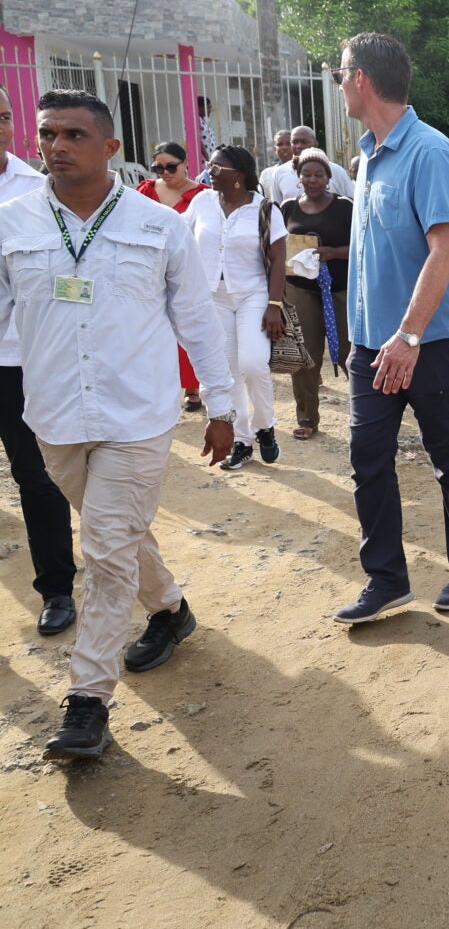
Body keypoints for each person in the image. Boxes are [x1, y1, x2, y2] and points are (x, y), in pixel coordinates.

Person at [0, 89, 236, 759]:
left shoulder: (158, 225)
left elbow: (197, 320)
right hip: (53, 414)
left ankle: (86, 702)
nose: (57, 146)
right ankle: (170, 608)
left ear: (110, 149)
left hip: (136, 414)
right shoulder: (12, 223)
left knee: (102, 549)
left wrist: (222, 409)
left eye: (74, 135)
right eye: (48, 134)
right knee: (119, 534)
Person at [331, 32, 449, 624]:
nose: (339, 84)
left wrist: (410, 335)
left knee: (448, 453)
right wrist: (364, 336)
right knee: (366, 455)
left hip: (430, 341)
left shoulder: (429, 151)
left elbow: (444, 250)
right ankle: (386, 580)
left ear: (362, 79)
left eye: (340, 73)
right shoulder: (369, 155)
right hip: (375, 344)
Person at [0, 82, 77, 637]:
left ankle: (56, 587)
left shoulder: (38, 190)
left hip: (17, 359)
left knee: (36, 476)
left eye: (3, 116)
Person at [184, 144, 287, 471]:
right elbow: (178, 239)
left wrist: (274, 304)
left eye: (217, 168)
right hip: (212, 297)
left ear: (239, 175)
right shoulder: (201, 203)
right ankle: (242, 441)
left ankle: (265, 426)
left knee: (253, 363)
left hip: (253, 295)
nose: (209, 172)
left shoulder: (265, 208)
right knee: (228, 375)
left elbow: (278, 259)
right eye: (209, 166)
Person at [278, 147, 353, 440]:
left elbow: (364, 245)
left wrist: (334, 252)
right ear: (298, 177)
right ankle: (307, 417)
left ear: (328, 177)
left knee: (351, 353)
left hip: (339, 289)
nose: (312, 180)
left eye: (318, 174)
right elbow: (276, 246)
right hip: (300, 290)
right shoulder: (288, 208)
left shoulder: (345, 207)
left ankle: (368, 413)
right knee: (304, 355)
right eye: (306, 174)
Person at [136, 140, 211, 412]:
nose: (165, 173)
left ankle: (193, 388)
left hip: (187, 268)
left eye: (171, 167)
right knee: (154, 329)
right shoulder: (145, 190)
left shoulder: (203, 195)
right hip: (149, 269)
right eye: (158, 168)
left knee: (186, 324)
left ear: (186, 163)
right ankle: (160, 388)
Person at [265, 125, 356, 202]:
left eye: (304, 142)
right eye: (295, 142)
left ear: (316, 143)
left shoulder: (337, 171)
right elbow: (277, 209)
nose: (299, 146)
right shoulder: (279, 173)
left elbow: (352, 202)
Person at [258, 129, 292, 196]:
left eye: (288, 144)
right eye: (280, 144)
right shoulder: (266, 174)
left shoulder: (303, 172)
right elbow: (261, 199)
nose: (284, 147)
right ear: (275, 149)